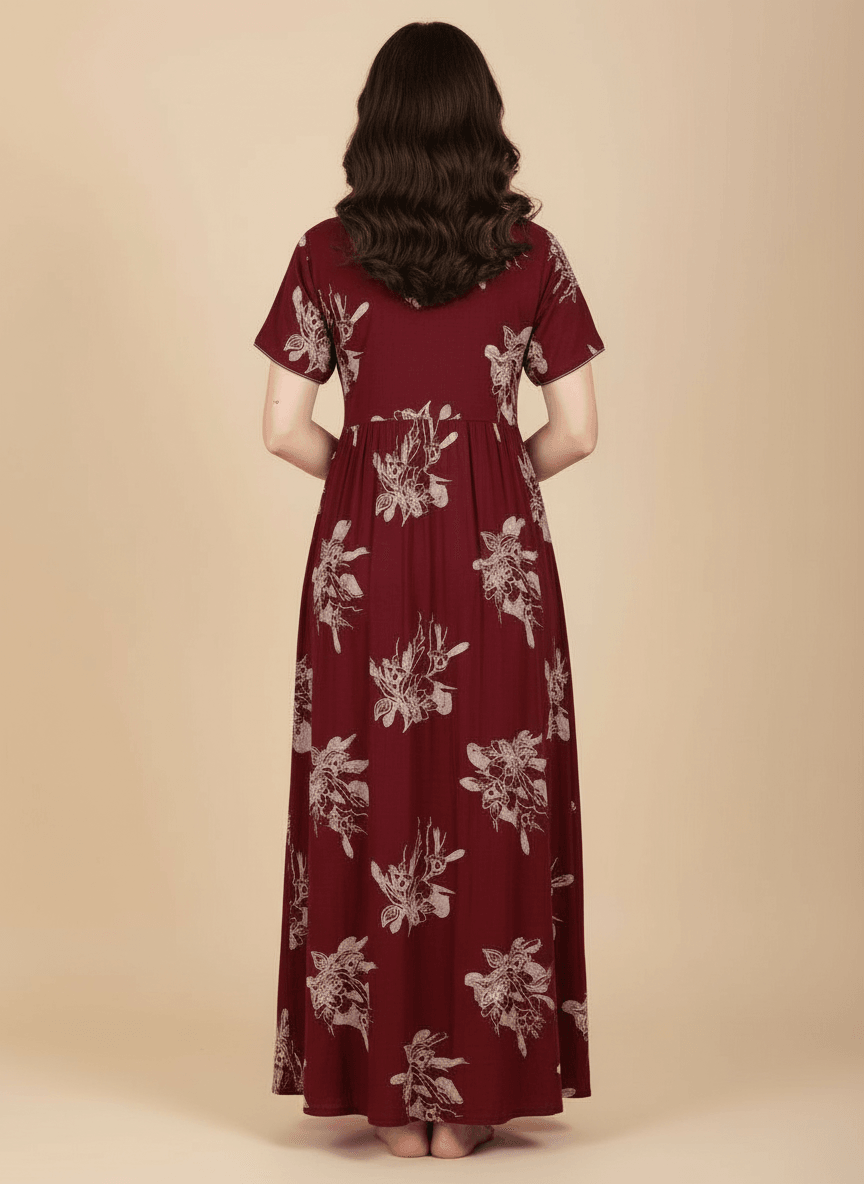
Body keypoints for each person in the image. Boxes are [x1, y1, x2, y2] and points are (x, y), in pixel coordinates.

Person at [253, 20, 605, 1160]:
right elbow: (578, 430)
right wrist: (490, 478)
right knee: (497, 805)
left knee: (369, 803)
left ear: (377, 127)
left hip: (362, 558)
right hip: (496, 559)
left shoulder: (323, 251)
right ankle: (476, 1098)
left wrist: (377, 477)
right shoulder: (531, 254)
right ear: (481, 125)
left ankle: (388, 1102)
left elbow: (282, 428)